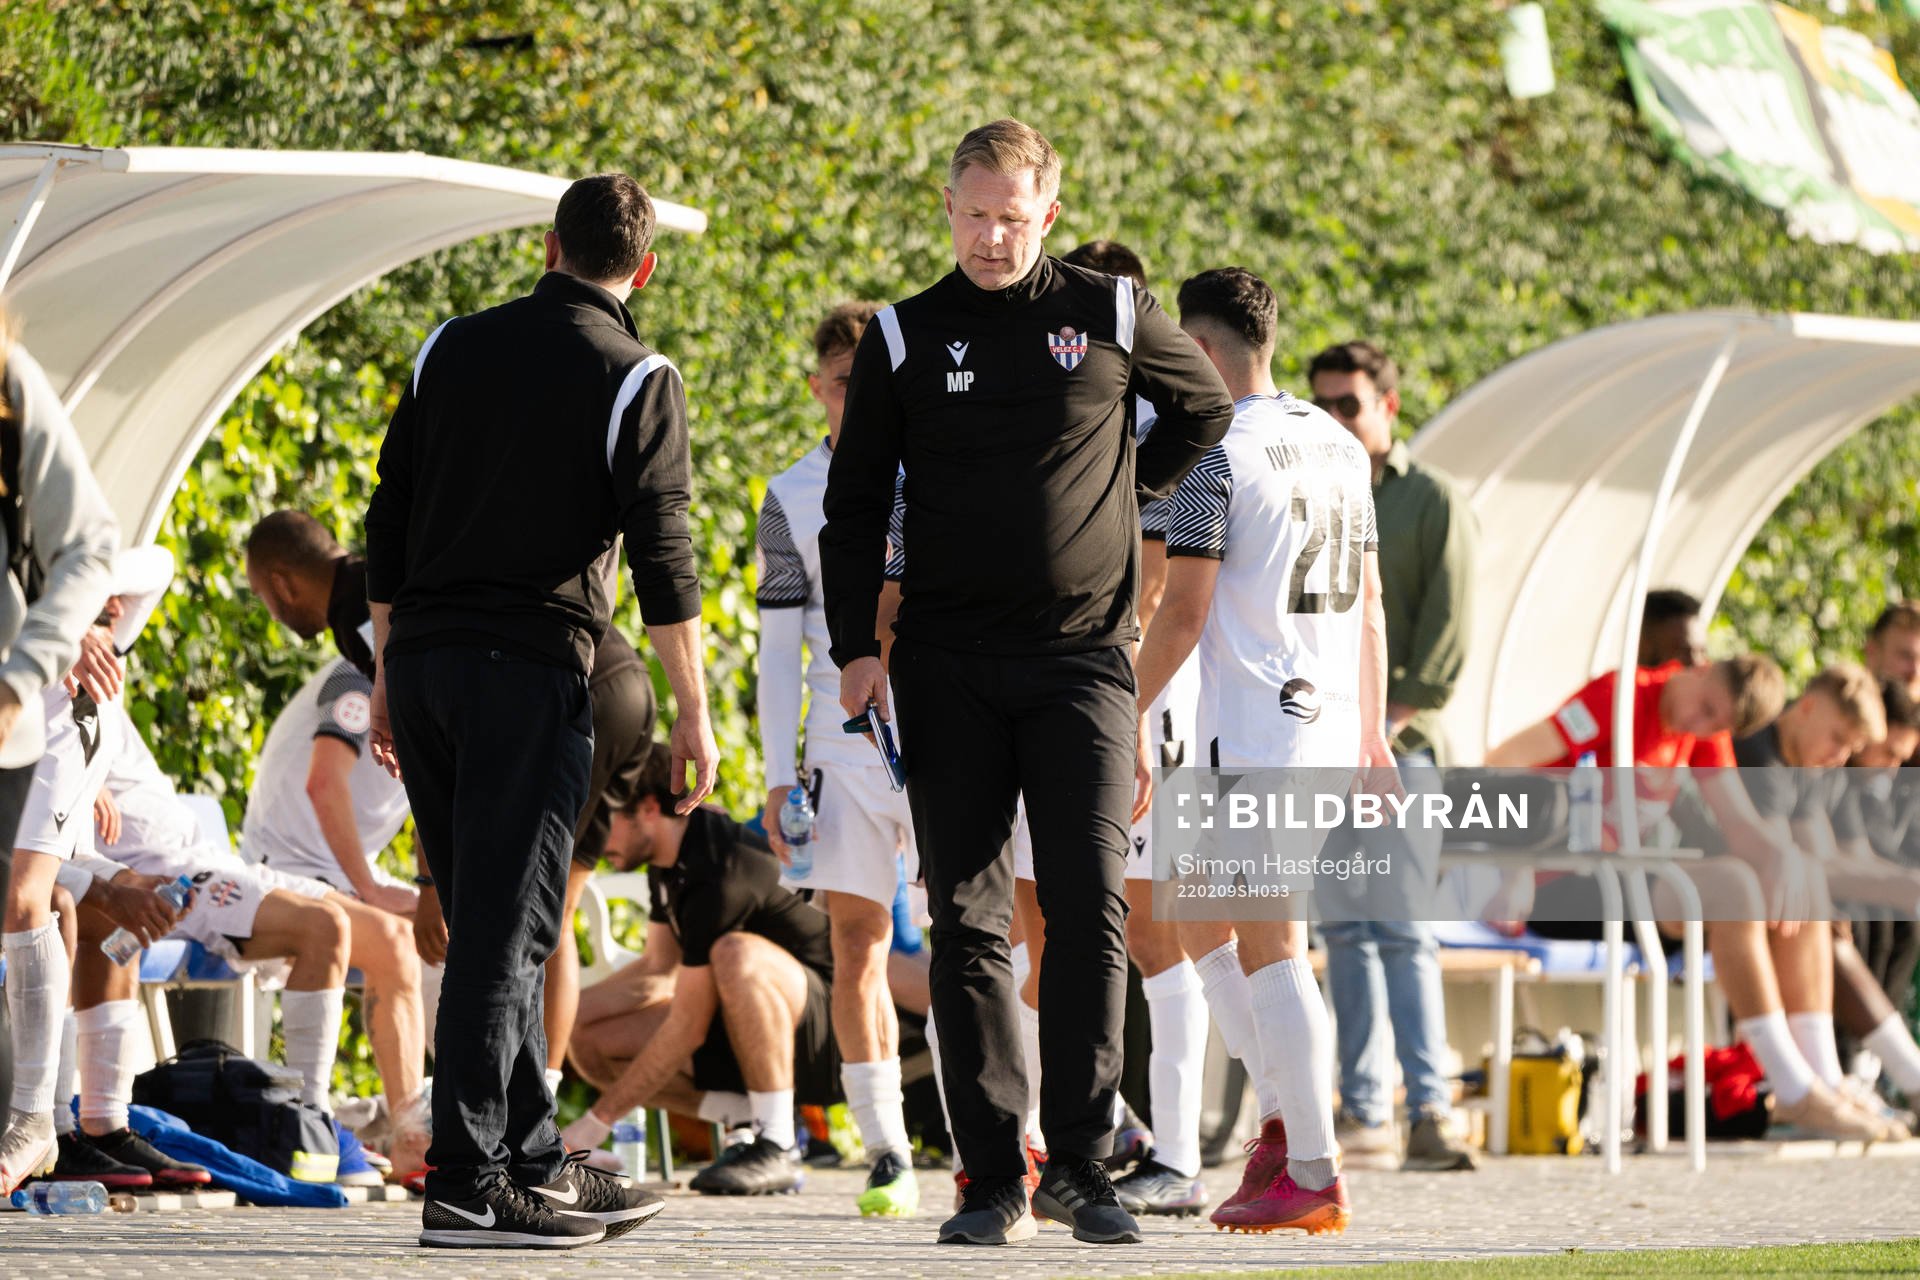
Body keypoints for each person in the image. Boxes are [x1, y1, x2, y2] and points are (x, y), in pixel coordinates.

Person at [821, 119, 1233, 1247]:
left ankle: (1086, 1167)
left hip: (1084, 664)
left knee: (1090, 906)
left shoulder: (1106, 309)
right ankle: (993, 1175)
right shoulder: (904, 337)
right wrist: (860, 642)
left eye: (1014, 215)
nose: (994, 235)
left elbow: (1204, 409)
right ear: (947, 209)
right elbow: (853, 507)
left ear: (1047, 212)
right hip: (946, 664)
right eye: (975, 213)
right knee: (963, 921)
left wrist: (1122, 495)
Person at [365, 171, 713, 1249]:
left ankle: (524, 1153)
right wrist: (692, 713)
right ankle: (470, 1180)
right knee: (509, 929)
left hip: (421, 664)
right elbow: (664, 556)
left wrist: (383, 670)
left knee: (493, 921)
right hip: (526, 667)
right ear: (640, 270)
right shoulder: (637, 373)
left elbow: (389, 513)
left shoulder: (448, 346)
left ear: (551, 248)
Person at [1133, 267, 1388, 1236]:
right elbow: (1367, 599)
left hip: (1262, 730)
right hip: (1315, 723)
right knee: (1202, 915)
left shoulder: (1211, 454)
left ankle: (1314, 1165)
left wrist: (1119, 713)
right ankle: (1283, 1120)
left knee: (1275, 941)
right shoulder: (1339, 444)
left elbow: (1183, 609)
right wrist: (1370, 733)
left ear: (1200, 353)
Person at [1487, 656, 1904, 1140]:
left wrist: (1789, 860)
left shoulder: (1709, 731)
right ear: (1701, 669)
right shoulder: (1619, 696)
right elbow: (1502, 760)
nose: (1698, 724)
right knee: (1731, 885)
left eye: (1716, 722)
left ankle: (1823, 1082)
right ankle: (1793, 1090)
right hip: (1559, 889)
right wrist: (1514, 864)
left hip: (1625, 885)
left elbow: (1743, 827)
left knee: (1796, 878)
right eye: (1704, 707)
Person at [1048, 237, 1210, 1216]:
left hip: (1138, 689)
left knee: (1156, 931)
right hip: (1112, 685)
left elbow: (1156, 582)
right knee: (1119, 926)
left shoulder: (1147, 407)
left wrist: (1129, 698)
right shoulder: (1104, 395)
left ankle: (1179, 1150)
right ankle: (1127, 1137)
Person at [756, 299, 922, 1217]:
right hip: (839, 748)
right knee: (855, 945)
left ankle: (1018, 1131)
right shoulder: (788, 494)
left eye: (873, 382)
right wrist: (779, 772)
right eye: (844, 382)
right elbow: (778, 651)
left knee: (981, 938)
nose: (856, 397)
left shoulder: (937, 469)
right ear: (818, 387)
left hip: (942, 737)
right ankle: (888, 1149)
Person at [52, 693, 346, 1188]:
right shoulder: (35, 684)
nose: (104, 628)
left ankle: (104, 1126)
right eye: (91, 621)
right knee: (80, 908)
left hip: (186, 864)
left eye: (104, 620)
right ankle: (56, 1127)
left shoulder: (91, 688)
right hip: (109, 873)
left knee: (342, 920)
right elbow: (28, 852)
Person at [1306, 339, 1478, 1174]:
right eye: (1323, 404)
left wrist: (1371, 732)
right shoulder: (1314, 490)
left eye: (1349, 404)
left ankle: (1432, 1111)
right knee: (1344, 931)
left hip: (1402, 751)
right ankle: (1367, 1113)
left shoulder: (1434, 499)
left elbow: (1443, 652)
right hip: (1323, 748)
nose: (1335, 417)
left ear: (1388, 408)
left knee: (1404, 929)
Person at [561, 743, 837, 1194]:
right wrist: (553, 1019)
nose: (591, 839)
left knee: (736, 953)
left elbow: (687, 1025)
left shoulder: (720, 863)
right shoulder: (667, 858)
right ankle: (743, 1121)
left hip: (820, 1032)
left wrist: (589, 1127)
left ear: (648, 809)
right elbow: (657, 970)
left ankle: (778, 1143)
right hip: (742, 1025)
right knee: (585, 1035)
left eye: (600, 822)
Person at [0, 319, 122, 1192]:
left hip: (36, 710)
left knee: (23, 895)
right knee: (38, 903)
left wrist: (45, 645)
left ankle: (35, 1118)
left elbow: (91, 549)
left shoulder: (11, 383)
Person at [240, 653, 434, 1174]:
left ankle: (473, 1126)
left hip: (342, 871)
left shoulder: (453, 679)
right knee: (397, 940)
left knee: (469, 932)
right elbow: (323, 781)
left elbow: (439, 810)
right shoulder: (363, 671)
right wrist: (370, 889)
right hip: (281, 865)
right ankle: (412, 1139)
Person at [245, 510, 377, 678]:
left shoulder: (356, 617)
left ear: (281, 586)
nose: (273, 617)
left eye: (262, 595)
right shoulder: (370, 578)